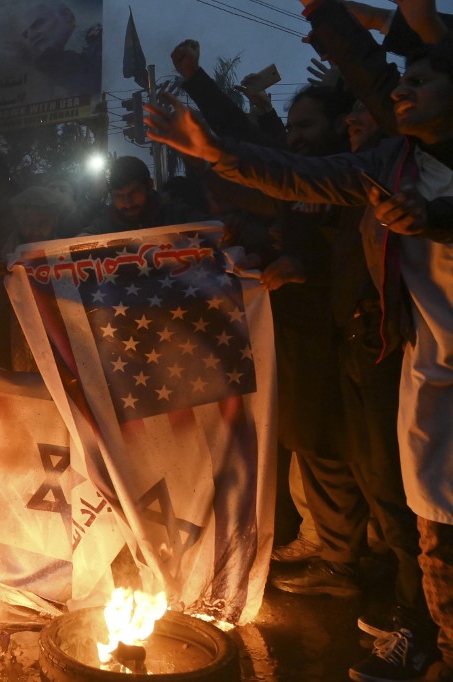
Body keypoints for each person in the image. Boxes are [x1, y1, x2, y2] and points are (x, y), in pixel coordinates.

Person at [143, 37, 453, 679]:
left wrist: (436, 218)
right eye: (399, 83)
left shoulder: (414, 180)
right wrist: (214, 152)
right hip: (424, 364)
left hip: (376, 349)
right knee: (429, 521)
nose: (398, 91)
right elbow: (293, 173)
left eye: (418, 82)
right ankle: (431, 639)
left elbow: (365, 73)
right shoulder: (388, 166)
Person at [80, 155, 200, 235]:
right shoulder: (104, 225)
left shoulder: (177, 216)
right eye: (119, 196)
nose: (127, 202)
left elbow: (215, 230)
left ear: (149, 185)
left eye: (133, 192)